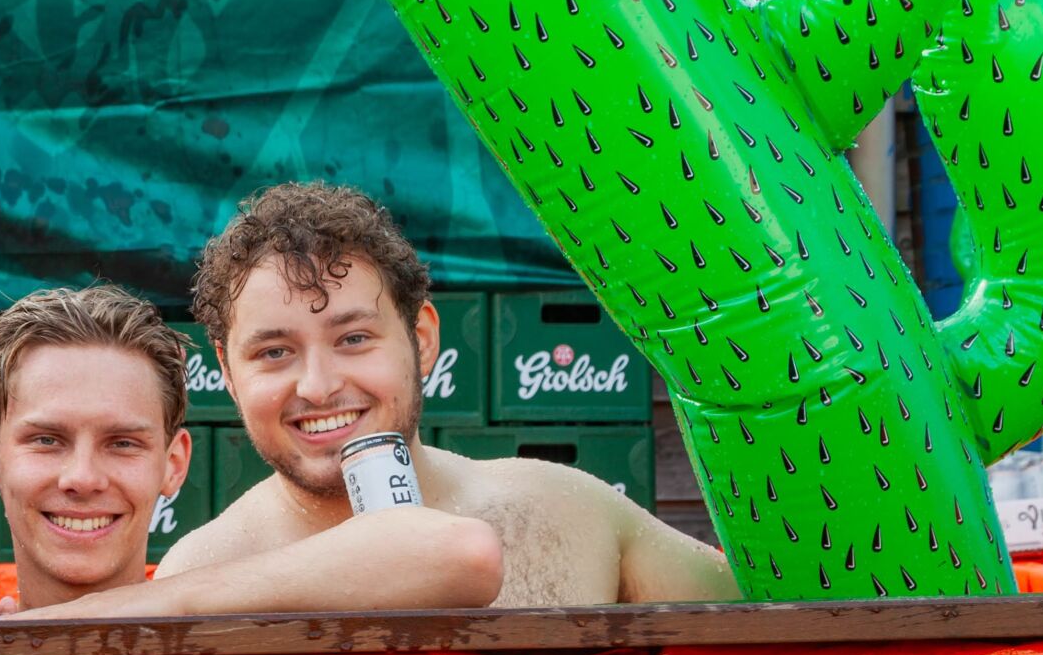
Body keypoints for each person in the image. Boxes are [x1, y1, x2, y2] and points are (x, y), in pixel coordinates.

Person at [160, 181, 738, 606]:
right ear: (229, 374)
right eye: (274, 353)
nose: (318, 386)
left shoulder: (570, 512)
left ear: (422, 340)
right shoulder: (201, 570)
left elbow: (790, 617)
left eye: (354, 338)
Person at [0, 284, 503, 616]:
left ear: (174, 463)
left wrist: (133, 610)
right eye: (46, 441)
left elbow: (462, 552)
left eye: (122, 443)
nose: (82, 477)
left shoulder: (218, 596)